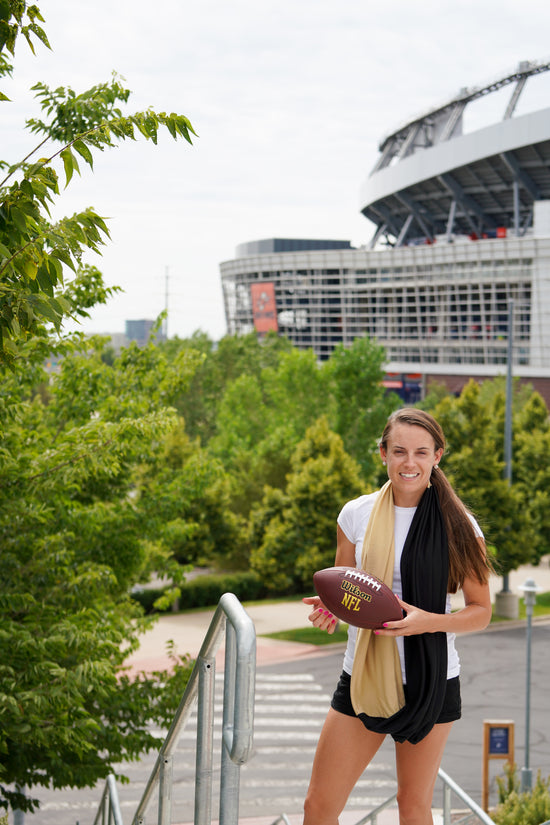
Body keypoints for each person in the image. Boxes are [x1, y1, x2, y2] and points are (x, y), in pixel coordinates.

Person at [302, 407, 493, 825]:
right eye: (400, 451)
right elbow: (350, 591)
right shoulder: (356, 515)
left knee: (413, 806)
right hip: (363, 676)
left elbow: (481, 612)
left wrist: (429, 621)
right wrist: (332, 610)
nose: (410, 463)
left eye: (422, 452)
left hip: (432, 683)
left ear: (437, 456)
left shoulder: (460, 525)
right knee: (318, 807)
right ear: (383, 453)